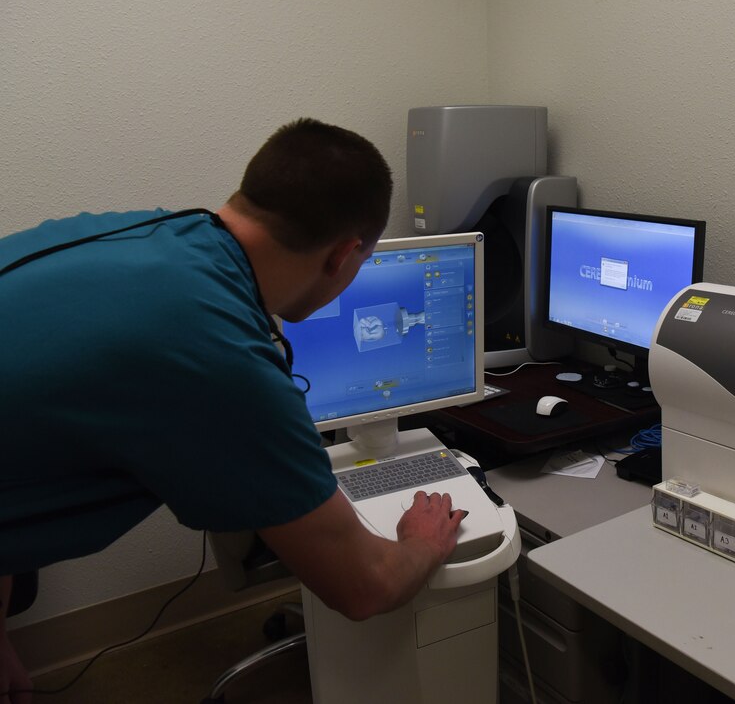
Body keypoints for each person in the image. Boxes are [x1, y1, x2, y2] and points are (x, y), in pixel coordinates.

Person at [0, 119, 466, 703]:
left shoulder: (153, 234)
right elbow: (364, 589)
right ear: (345, 254)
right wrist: (424, 542)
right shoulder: (217, 354)